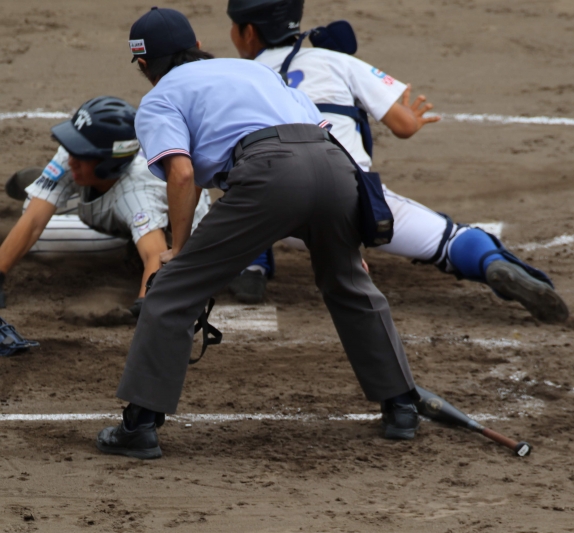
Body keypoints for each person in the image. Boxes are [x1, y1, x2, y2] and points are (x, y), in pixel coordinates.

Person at [96, 7, 421, 460]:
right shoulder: (255, 71)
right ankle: (402, 406)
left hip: (268, 174)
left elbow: (182, 173)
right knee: (349, 281)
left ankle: (140, 425)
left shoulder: (160, 97)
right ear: (197, 46)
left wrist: (178, 251)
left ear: (145, 64)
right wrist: (345, 237)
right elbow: (322, 137)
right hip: (334, 167)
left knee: (171, 290)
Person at [225, 0, 570, 324]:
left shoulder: (240, 79)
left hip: (278, 214)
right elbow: (402, 125)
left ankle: (251, 267)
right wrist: (413, 120)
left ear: (249, 32)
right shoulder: (335, 61)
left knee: (243, 184)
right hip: (355, 204)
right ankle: (489, 261)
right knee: (448, 239)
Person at [0, 96, 210, 314]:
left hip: (164, 226)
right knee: (33, 208)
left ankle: (127, 245)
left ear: (109, 164)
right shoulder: (82, 153)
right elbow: (34, 220)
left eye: (80, 155)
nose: (70, 159)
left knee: (42, 237)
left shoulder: (138, 196)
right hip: (112, 190)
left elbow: (154, 256)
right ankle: (54, 184)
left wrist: (145, 302)